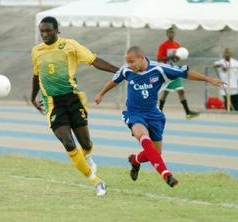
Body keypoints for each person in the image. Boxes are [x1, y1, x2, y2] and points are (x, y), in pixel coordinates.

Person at [95, 46, 224, 187]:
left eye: (132, 61)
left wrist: (209, 79)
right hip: (134, 114)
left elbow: (185, 73)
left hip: (153, 114)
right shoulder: (126, 70)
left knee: (155, 153)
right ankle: (166, 175)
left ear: (141, 58)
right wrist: (101, 94)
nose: (129, 65)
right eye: (127, 62)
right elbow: (113, 81)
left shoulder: (159, 69)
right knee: (143, 137)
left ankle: (135, 160)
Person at [30, 16, 119, 196]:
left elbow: (94, 61)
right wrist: (33, 98)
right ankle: (96, 182)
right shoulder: (36, 51)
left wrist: (119, 71)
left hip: (72, 99)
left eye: (48, 31)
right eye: (42, 32)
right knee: (68, 143)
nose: (44, 34)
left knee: (86, 143)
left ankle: (87, 156)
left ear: (57, 30)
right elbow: (36, 75)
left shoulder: (70, 46)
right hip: (53, 104)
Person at [157, 28, 200, 119]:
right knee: (165, 93)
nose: (171, 34)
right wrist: (170, 57)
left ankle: (188, 112)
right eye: (170, 33)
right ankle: (159, 112)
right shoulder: (163, 46)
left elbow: (177, 58)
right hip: (167, 71)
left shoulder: (177, 45)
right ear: (167, 34)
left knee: (181, 91)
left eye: (173, 32)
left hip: (175, 70)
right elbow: (159, 59)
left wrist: (177, 58)